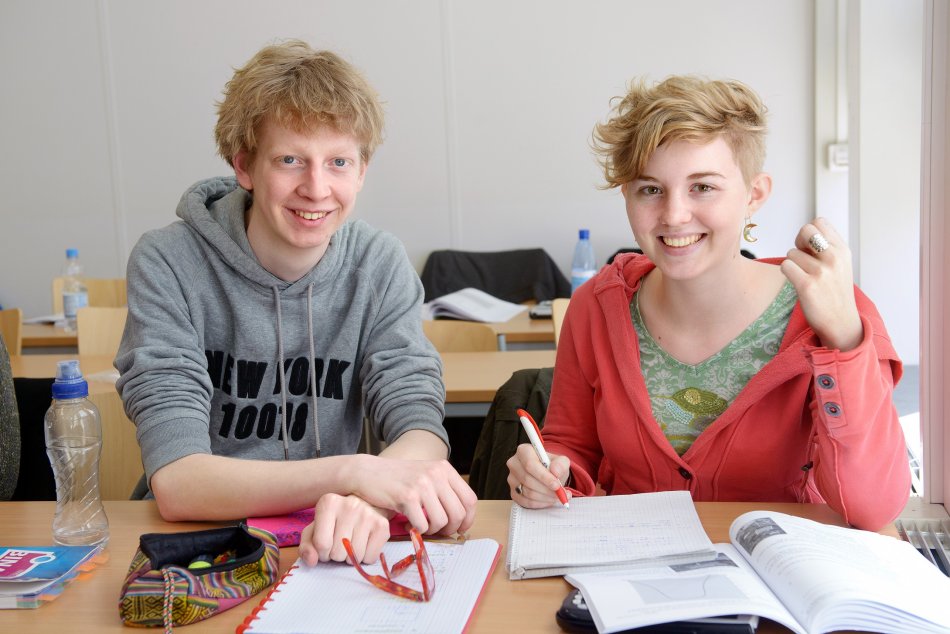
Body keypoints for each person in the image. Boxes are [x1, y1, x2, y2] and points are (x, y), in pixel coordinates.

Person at [116, 40, 476, 565]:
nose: (317, 187)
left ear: (362, 170)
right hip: (207, 548)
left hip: (332, 543)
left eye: (338, 162)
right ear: (244, 166)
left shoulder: (379, 262)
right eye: (290, 160)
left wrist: (362, 500)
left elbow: (418, 422)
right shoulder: (168, 261)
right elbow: (177, 481)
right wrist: (355, 474)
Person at [506, 76, 908, 531]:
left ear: (754, 194)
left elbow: (873, 507)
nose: (675, 215)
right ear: (627, 196)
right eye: (650, 189)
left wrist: (845, 339)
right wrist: (547, 473)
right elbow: (572, 448)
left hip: (778, 583)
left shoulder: (831, 306)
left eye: (703, 187)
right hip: (632, 578)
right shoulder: (595, 308)